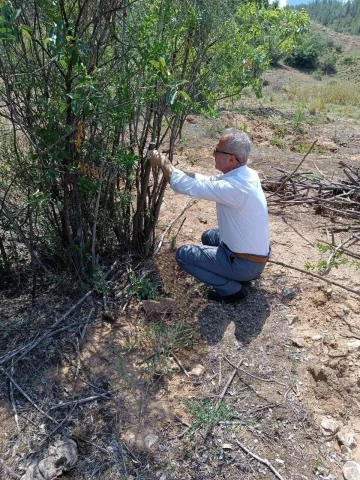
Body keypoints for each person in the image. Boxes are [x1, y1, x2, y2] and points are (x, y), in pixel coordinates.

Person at [149, 128, 270, 304]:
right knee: (209, 236)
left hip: (246, 264)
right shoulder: (246, 174)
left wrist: (162, 161)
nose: (213, 153)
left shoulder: (234, 188)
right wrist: (173, 169)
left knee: (184, 255)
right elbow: (205, 180)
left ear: (231, 158)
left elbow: (183, 185)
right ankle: (235, 273)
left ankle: (232, 290)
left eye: (217, 151)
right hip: (253, 257)